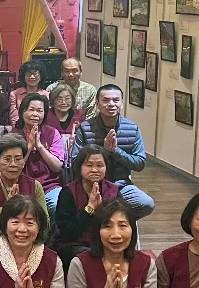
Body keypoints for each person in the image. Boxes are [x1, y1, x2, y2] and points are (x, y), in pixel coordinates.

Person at [69, 84, 155, 218]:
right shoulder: (85, 128)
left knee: (146, 203)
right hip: (89, 185)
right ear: (97, 104)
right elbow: (75, 162)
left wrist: (115, 151)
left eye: (116, 100)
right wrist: (102, 152)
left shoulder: (132, 128)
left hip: (120, 184)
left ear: (122, 103)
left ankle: (119, 223)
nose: (111, 104)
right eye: (106, 100)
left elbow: (140, 163)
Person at [52, 145, 122, 271]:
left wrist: (101, 210)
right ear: (80, 168)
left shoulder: (114, 191)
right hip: (73, 244)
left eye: (100, 165)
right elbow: (67, 232)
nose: (95, 170)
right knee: (87, 257)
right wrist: (89, 209)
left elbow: (120, 223)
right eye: (89, 165)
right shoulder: (68, 192)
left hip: (107, 242)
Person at [0, 135, 47, 246]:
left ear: (23, 161)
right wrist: (6, 207)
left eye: (18, 159)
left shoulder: (34, 186)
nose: (13, 164)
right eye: (7, 159)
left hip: (28, 244)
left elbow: (45, 223)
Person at [15, 94, 65, 216]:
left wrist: (39, 146)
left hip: (49, 186)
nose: (35, 114)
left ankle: (49, 235)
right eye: (31, 110)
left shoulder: (53, 133)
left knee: (56, 204)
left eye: (39, 111)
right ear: (22, 112)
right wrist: (29, 146)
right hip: (21, 186)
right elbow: (15, 167)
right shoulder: (14, 135)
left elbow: (57, 166)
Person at [45, 84, 85, 178]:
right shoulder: (46, 115)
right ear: (53, 100)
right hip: (52, 159)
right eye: (59, 99)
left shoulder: (80, 115)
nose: (64, 102)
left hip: (74, 160)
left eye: (67, 98)